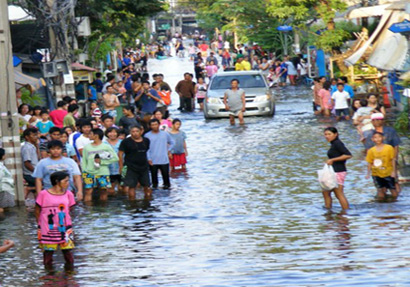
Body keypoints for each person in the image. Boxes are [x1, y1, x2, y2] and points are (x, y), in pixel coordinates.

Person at [35, 171, 76, 270]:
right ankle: (49, 277)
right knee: (48, 254)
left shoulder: (68, 194)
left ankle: (69, 275)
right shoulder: (43, 194)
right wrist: (40, 224)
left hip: (65, 227)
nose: (68, 183)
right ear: (57, 181)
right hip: (47, 228)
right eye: (65, 181)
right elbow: (37, 210)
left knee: (68, 252)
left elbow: (70, 208)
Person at [81, 128, 119, 202]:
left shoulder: (106, 146)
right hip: (89, 172)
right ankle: (89, 211)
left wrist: (101, 162)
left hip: (103, 172)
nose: (89, 136)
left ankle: (103, 210)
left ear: (96, 135)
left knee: (104, 191)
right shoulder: (87, 147)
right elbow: (84, 160)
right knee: (88, 191)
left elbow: (115, 158)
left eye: (91, 134)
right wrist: (84, 171)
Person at [119, 125, 152, 200]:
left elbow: (147, 151)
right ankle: (132, 203)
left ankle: (147, 201)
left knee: (147, 185)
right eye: (133, 132)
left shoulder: (146, 140)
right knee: (131, 186)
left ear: (141, 131)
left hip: (144, 166)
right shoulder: (126, 142)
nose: (135, 133)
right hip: (130, 166)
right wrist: (121, 167)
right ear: (130, 133)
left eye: (137, 131)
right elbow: (120, 154)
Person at [323, 127, 352, 210]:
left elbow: (348, 155)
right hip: (334, 171)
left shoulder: (337, 143)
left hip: (338, 171)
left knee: (338, 193)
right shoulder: (333, 144)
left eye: (329, 134)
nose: (327, 136)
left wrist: (332, 159)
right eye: (325, 134)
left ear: (335, 134)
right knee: (326, 192)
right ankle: (328, 210)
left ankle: (345, 211)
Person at [366, 132, 397, 200]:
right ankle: (381, 205)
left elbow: (393, 160)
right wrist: (368, 173)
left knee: (392, 189)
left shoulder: (389, 148)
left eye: (379, 137)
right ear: (372, 139)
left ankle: (395, 202)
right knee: (380, 189)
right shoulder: (371, 150)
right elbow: (370, 162)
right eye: (375, 137)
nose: (377, 139)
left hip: (388, 172)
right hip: (376, 173)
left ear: (383, 138)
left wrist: (393, 171)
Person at [145, 119, 175, 189]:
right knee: (154, 182)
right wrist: (148, 158)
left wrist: (168, 150)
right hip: (153, 160)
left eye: (156, 124)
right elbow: (146, 148)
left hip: (164, 159)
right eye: (152, 125)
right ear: (150, 126)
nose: (154, 126)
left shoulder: (165, 134)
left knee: (166, 180)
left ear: (159, 125)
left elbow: (172, 142)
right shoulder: (147, 136)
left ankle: (166, 197)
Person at [103, 127, 122, 196]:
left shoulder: (122, 142)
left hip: (121, 166)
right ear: (107, 133)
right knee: (110, 188)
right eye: (110, 132)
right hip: (109, 168)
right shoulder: (104, 143)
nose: (112, 134)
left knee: (122, 188)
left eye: (114, 132)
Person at [21, 128, 40, 192]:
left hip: (33, 173)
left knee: (35, 190)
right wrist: (36, 172)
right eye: (34, 135)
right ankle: (28, 189)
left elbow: (38, 158)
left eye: (36, 135)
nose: (36, 137)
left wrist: (37, 146)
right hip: (30, 174)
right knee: (45, 183)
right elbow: (27, 163)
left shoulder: (32, 146)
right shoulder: (27, 148)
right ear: (27, 137)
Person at [0, 148, 15, 212]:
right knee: (2, 209)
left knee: (5, 209)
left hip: (6, 190)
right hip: (3, 190)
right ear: (3, 156)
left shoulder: (2, 165)